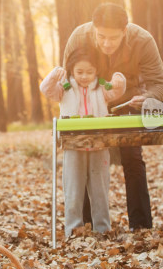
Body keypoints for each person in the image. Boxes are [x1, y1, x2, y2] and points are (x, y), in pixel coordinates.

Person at [49, 3, 163, 230]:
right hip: (88, 107)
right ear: (93, 29)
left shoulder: (143, 40)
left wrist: (147, 98)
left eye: (113, 38)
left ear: (125, 31)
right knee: (81, 157)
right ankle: (84, 226)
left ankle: (141, 226)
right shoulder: (79, 37)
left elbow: (159, 85)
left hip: (128, 101)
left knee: (132, 157)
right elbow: (69, 83)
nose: (106, 44)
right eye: (101, 36)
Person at [41, 45, 126, 237]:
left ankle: (102, 229)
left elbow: (118, 90)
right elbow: (45, 89)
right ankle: (72, 230)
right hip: (73, 145)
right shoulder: (65, 88)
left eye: (89, 71)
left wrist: (119, 78)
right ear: (71, 70)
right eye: (79, 72)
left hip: (99, 145)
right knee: (73, 190)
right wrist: (56, 73)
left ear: (96, 70)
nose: (84, 76)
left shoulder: (102, 87)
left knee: (100, 190)